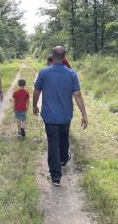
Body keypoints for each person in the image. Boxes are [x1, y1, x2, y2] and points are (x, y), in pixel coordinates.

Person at [33, 46, 88, 186]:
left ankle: (55, 176)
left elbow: (36, 91)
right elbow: (77, 95)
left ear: (52, 55)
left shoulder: (44, 72)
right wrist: (84, 114)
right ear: (64, 57)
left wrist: (34, 105)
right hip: (65, 115)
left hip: (50, 116)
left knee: (53, 143)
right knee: (63, 137)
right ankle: (63, 158)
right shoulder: (71, 74)